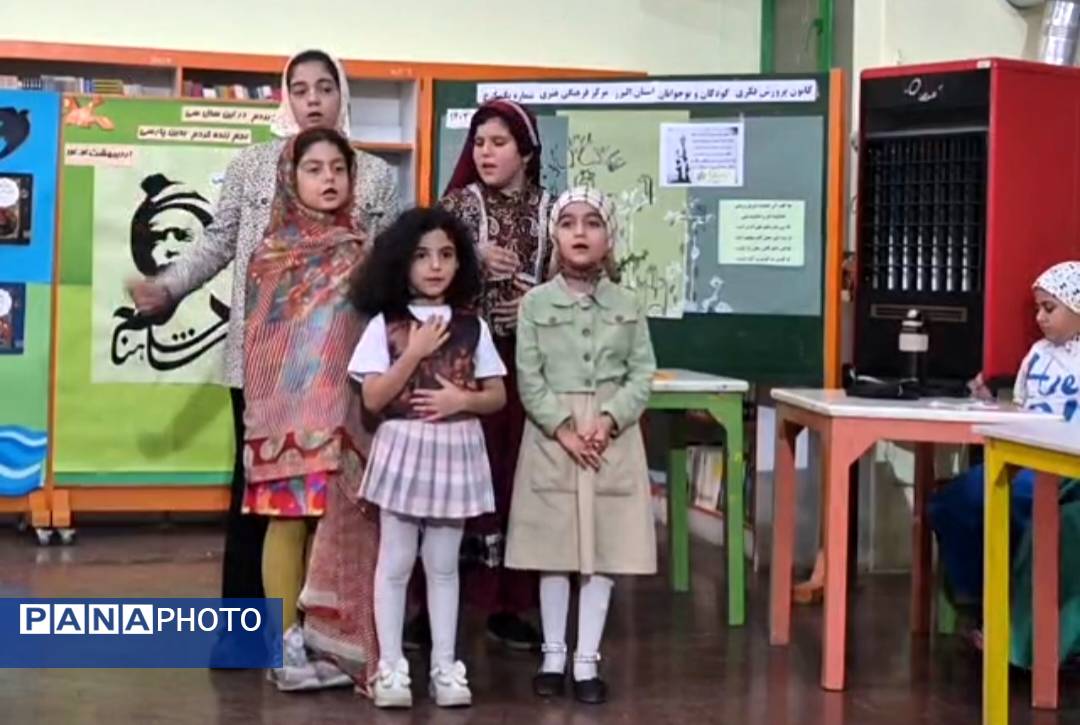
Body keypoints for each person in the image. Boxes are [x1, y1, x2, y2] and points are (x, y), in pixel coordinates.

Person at [127, 49, 398, 602]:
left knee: (339, 496)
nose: (313, 100)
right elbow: (217, 242)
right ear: (285, 98)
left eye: (325, 88)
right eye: (300, 90)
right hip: (263, 363)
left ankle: (327, 626)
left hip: (340, 364)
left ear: (342, 94)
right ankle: (246, 625)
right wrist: (168, 287)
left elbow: (391, 264)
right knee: (258, 492)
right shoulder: (253, 166)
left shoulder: (374, 175)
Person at [348, 207, 507, 708]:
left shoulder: (472, 326)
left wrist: (463, 400)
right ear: (402, 262)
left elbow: (497, 396)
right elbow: (373, 398)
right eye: (422, 256)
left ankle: (445, 666)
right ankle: (391, 667)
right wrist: (414, 352)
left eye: (446, 255)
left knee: (443, 565)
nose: (435, 266)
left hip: (455, 449)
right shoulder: (386, 325)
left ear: (460, 263)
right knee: (395, 560)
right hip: (403, 447)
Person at [506, 187, 658, 704]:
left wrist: (611, 419)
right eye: (568, 222)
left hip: (610, 439)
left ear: (608, 237)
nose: (580, 232)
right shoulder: (534, 304)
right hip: (554, 437)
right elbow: (529, 377)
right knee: (555, 547)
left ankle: (587, 658)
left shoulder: (628, 305)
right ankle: (553, 655)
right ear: (555, 235)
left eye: (592, 223)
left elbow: (641, 372)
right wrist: (562, 427)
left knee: (602, 548)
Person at [435, 97, 552, 649]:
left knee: (514, 480)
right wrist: (470, 254)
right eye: (479, 142)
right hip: (463, 366)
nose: (485, 152)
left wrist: (537, 303)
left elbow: (583, 278)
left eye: (498, 142)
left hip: (528, 369)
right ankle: (431, 605)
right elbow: (423, 268)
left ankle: (507, 605)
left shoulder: (556, 211)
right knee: (455, 479)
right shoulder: (458, 207)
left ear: (525, 152)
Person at [931, 260, 1080, 667]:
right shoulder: (1037, 355)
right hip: (1026, 457)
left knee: (1027, 512)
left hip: (1066, 466)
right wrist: (987, 400)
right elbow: (1021, 406)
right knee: (955, 501)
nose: (1040, 318)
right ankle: (981, 602)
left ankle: (1013, 628)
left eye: (1050, 308)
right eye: (1038, 309)